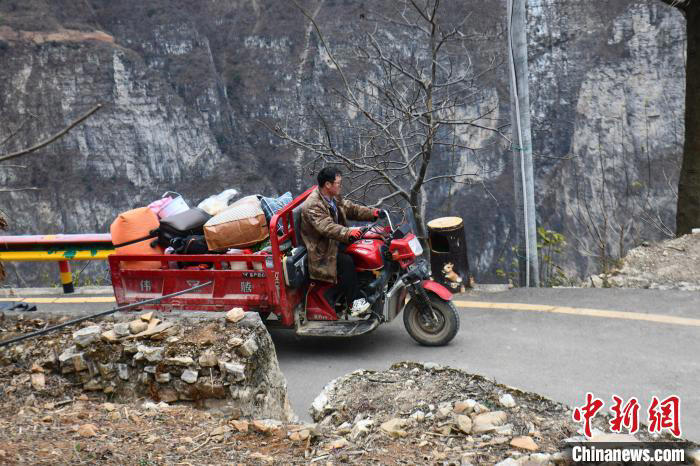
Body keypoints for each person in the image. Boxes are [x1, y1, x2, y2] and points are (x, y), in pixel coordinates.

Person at [301, 166, 380, 316]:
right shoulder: (313, 205)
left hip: (334, 241)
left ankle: (368, 286)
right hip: (321, 250)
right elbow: (326, 227)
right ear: (328, 185)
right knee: (346, 262)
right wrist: (348, 232)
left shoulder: (332, 197)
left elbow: (350, 208)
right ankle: (353, 302)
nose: (340, 186)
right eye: (338, 183)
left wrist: (373, 213)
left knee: (365, 247)